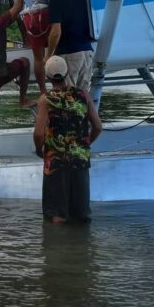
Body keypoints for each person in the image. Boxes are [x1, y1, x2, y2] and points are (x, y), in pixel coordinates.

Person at [32, 55, 102, 224]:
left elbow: (38, 133)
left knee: (57, 215)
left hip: (56, 161)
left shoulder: (46, 99)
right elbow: (98, 126)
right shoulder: (83, 94)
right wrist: (85, 144)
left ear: (48, 77)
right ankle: (81, 248)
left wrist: (39, 150)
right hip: (80, 159)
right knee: (81, 215)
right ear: (67, 72)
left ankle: (59, 247)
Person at [44, 0, 95, 93]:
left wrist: (48, 55)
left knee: (67, 96)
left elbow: (56, 31)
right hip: (87, 52)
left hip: (70, 54)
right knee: (83, 97)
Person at [20, 0, 50, 93]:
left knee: (38, 58)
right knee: (57, 52)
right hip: (45, 13)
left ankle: (43, 91)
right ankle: (59, 84)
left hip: (30, 15)